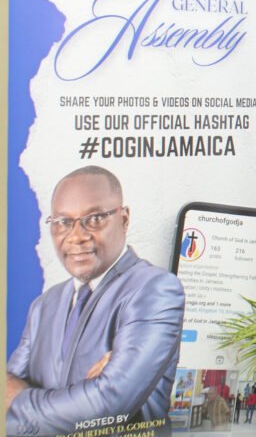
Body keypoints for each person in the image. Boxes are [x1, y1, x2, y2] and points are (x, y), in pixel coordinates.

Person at [6, 166, 185, 436]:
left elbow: (107, 405)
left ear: (124, 219)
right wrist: (83, 396)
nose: (77, 236)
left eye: (95, 218)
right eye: (63, 222)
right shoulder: (44, 306)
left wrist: (19, 400)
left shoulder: (155, 289)